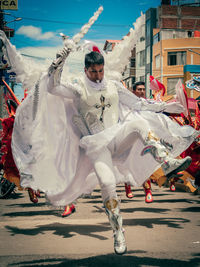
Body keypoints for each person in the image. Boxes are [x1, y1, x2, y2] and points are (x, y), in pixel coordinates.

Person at [0, 31, 199, 255]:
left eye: (101, 70)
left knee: (139, 124)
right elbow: (52, 87)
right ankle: (118, 232)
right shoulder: (76, 89)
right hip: (97, 148)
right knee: (107, 183)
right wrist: (61, 58)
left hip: (117, 139)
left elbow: (139, 104)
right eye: (93, 71)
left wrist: (165, 106)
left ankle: (166, 161)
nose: (98, 75)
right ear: (86, 70)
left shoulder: (113, 85)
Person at [124, 81, 154, 203]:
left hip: (143, 139)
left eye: (143, 89)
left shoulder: (147, 103)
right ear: (133, 91)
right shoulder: (126, 104)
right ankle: (128, 185)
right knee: (127, 164)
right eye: (139, 89)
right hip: (129, 138)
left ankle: (148, 191)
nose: (142, 91)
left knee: (144, 165)